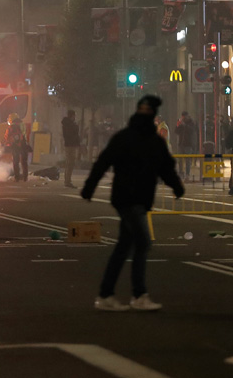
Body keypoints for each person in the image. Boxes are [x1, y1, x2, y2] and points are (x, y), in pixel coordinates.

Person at [82, 95, 184, 312]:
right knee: (143, 243)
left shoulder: (125, 137)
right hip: (133, 200)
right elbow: (166, 168)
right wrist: (177, 187)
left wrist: (90, 186)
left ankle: (106, 294)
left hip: (125, 198)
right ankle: (138, 294)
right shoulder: (148, 140)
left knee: (124, 246)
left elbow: (103, 162)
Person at [174, 112, 199, 179]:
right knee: (180, 159)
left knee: (188, 160)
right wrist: (178, 125)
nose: (183, 118)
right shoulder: (181, 123)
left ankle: (187, 173)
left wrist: (184, 125)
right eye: (182, 117)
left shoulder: (192, 122)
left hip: (188, 144)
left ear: (187, 116)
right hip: (181, 144)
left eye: (184, 117)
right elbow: (176, 132)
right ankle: (180, 172)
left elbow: (192, 130)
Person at [4, 113, 28, 182]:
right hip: (24, 144)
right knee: (24, 162)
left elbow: (7, 137)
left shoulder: (12, 126)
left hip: (16, 146)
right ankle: (25, 177)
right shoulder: (23, 124)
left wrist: (7, 142)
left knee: (16, 161)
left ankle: (17, 177)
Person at [61, 110, 80, 188]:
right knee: (70, 163)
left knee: (69, 163)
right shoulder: (69, 124)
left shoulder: (67, 124)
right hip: (70, 145)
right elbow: (71, 135)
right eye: (74, 115)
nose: (75, 117)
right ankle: (67, 181)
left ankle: (67, 180)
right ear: (72, 115)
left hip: (70, 144)